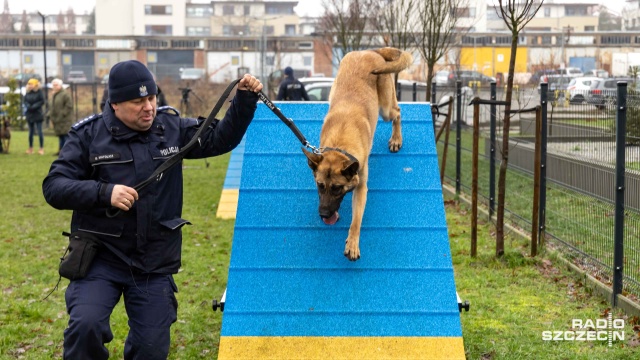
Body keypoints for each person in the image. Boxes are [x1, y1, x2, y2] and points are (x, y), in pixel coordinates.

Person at [42, 60, 263, 359]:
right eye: (138, 101)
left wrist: (244, 100)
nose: (148, 107)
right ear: (115, 103)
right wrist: (104, 192)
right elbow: (54, 186)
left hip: (153, 260)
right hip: (100, 257)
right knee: (86, 327)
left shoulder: (171, 127)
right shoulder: (87, 135)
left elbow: (220, 138)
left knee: (152, 349)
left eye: (152, 98)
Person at [49, 79, 74, 155]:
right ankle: (60, 151)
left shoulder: (65, 94)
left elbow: (69, 105)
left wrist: (63, 114)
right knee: (60, 136)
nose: (54, 87)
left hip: (65, 120)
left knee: (65, 136)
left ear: (60, 85)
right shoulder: (54, 95)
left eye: (56, 85)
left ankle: (65, 152)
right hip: (57, 120)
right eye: (53, 85)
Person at [24, 78, 46, 154]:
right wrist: (28, 106)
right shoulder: (27, 92)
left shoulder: (39, 92)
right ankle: (30, 148)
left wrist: (34, 106)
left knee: (40, 132)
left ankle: (41, 148)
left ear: (36, 85)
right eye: (29, 84)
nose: (30, 86)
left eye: (31, 84)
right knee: (30, 133)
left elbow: (42, 101)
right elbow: (25, 101)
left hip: (38, 114)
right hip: (29, 114)